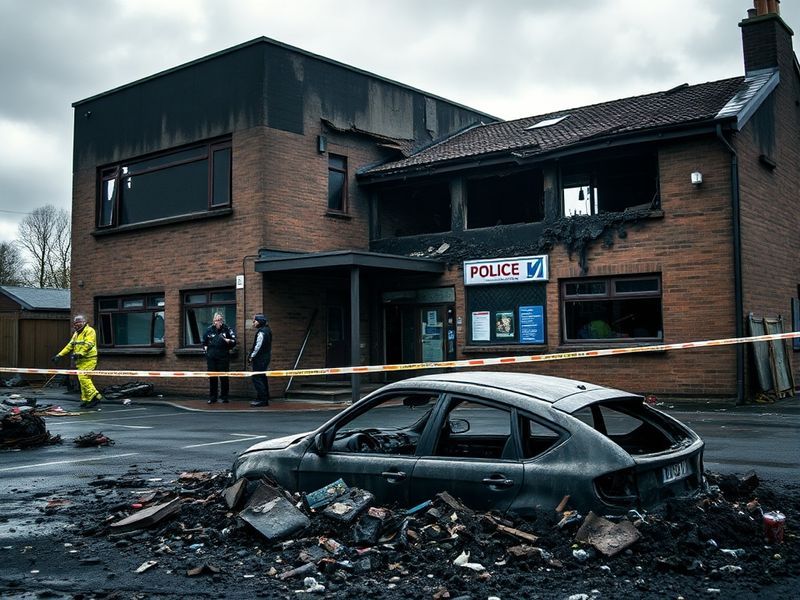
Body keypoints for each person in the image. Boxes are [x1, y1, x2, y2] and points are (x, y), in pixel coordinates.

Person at [52, 314, 102, 410]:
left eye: (78, 322)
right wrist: (59, 355)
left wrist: (80, 353)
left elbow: (89, 344)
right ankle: (86, 400)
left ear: (84, 322)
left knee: (84, 378)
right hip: (80, 361)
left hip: (89, 359)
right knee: (83, 380)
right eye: (75, 323)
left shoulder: (90, 331)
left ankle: (96, 397)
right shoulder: (76, 334)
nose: (76, 324)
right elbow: (69, 346)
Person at [202, 312, 237, 404]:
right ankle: (213, 397)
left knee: (224, 378)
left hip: (223, 358)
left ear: (223, 320)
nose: (218, 322)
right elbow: (204, 342)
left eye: (220, 320)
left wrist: (228, 341)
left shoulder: (227, 329)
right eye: (216, 320)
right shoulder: (209, 330)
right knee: (213, 378)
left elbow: (234, 341)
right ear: (213, 321)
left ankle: (224, 397)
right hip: (211, 358)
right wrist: (206, 351)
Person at [248, 313, 272, 407]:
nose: (253, 323)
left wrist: (251, 356)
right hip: (265, 358)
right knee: (262, 377)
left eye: (255, 321)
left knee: (257, 378)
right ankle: (263, 397)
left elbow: (258, 346)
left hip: (260, 359)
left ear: (260, 321)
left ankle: (263, 400)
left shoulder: (262, 332)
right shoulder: (267, 330)